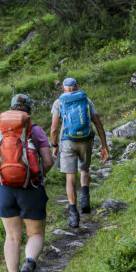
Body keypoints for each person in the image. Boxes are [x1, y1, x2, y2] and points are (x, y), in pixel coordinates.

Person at [0, 93, 53, 272]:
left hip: (4, 189)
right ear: (29, 110)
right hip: (31, 187)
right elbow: (48, 161)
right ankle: (29, 265)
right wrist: (39, 176)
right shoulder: (36, 131)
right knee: (35, 233)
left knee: (12, 236)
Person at [50, 77, 110, 229]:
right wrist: (104, 146)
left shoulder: (59, 102)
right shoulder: (86, 101)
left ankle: (73, 215)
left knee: (70, 178)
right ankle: (85, 200)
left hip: (67, 141)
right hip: (85, 140)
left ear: (63, 89)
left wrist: (55, 145)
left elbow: (54, 129)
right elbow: (98, 124)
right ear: (77, 87)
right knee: (84, 169)